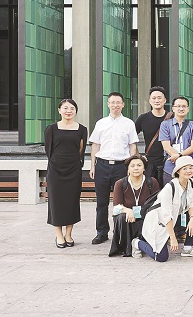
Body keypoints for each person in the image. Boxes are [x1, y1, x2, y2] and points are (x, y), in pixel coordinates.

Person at [89, 92, 139, 245]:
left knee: (123, 201)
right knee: (101, 202)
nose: (115, 105)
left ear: (123, 104)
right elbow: (95, 145)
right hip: (102, 165)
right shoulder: (101, 123)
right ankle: (102, 232)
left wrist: (131, 166)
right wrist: (92, 166)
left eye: (118, 102)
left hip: (121, 166)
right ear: (108, 104)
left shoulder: (129, 123)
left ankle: (121, 231)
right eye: (112, 102)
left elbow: (132, 146)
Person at [133, 156, 193, 261]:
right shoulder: (169, 188)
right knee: (161, 257)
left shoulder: (191, 182)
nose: (188, 171)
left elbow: (192, 203)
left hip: (175, 218)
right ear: (178, 171)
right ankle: (137, 243)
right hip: (159, 221)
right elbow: (166, 215)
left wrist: (192, 219)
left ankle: (187, 248)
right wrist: (173, 238)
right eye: (184, 168)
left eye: (190, 168)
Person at [44, 99, 88, 248]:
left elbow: (81, 150)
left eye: (72, 108)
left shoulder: (82, 129)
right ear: (59, 110)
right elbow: (49, 151)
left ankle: (68, 234)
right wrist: (56, 163)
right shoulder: (51, 128)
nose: (68, 111)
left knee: (72, 202)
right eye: (65, 108)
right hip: (55, 171)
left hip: (73, 170)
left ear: (76, 111)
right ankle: (59, 235)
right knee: (56, 202)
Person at [109, 154, 160, 257]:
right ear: (128, 169)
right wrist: (128, 210)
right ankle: (127, 247)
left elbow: (157, 204)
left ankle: (140, 243)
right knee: (121, 216)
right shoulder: (120, 183)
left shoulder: (152, 182)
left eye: (139, 165)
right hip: (128, 219)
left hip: (145, 218)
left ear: (144, 168)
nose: (136, 168)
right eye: (132, 166)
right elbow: (116, 208)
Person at [159, 96, 193, 184]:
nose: (181, 109)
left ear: (188, 109)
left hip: (188, 168)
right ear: (173, 108)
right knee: (170, 191)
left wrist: (179, 156)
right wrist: (179, 159)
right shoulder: (165, 125)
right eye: (178, 106)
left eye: (184, 106)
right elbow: (166, 146)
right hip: (170, 167)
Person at [135, 86, 171, 186]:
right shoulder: (143, 118)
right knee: (151, 191)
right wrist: (138, 155)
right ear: (149, 101)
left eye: (159, 98)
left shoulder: (172, 118)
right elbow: (131, 138)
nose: (156, 100)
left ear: (165, 100)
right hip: (150, 163)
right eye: (154, 98)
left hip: (169, 161)